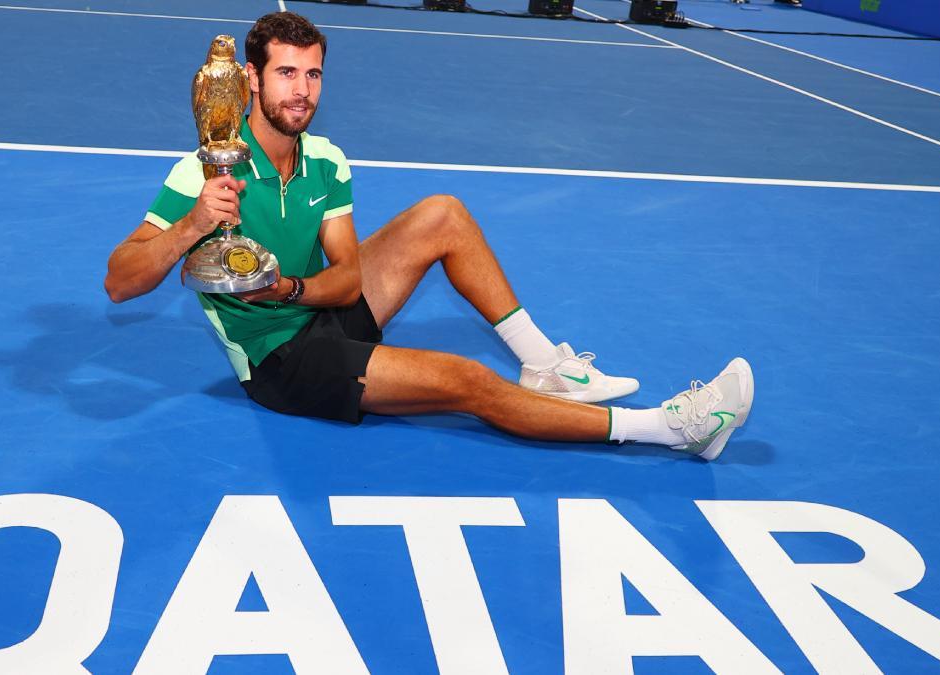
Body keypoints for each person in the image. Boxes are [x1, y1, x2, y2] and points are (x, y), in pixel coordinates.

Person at [105, 12, 754, 460]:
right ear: (251, 78)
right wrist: (194, 224)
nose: (302, 92)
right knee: (467, 380)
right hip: (283, 362)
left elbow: (347, 280)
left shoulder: (326, 160)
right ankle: (671, 429)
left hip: (314, 308)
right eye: (286, 74)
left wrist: (288, 289)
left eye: (313, 75)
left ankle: (545, 366)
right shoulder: (203, 170)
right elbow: (119, 281)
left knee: (443, 212)